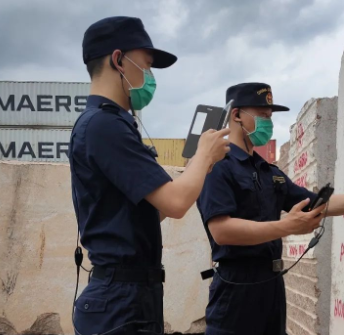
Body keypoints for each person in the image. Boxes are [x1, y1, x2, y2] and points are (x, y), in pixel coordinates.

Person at [69, 16, 230, 335]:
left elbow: (150, 211)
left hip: (129, 297)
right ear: (118, 60)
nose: (150, 76)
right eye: (146, 65)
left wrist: (198, 170)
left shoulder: (111, 125)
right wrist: (203, 155)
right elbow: (176, 203)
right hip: (119, 301)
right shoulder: (105, 126)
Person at [196, 82, 344, 335]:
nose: (268, 123)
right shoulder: (217, 166)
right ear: (236, 115)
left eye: (270, 117)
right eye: (262, 116)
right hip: (236, 287)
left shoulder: (270, 173)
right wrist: (287, 226)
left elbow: (321, 205)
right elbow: (221, 230)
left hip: (272, 286)